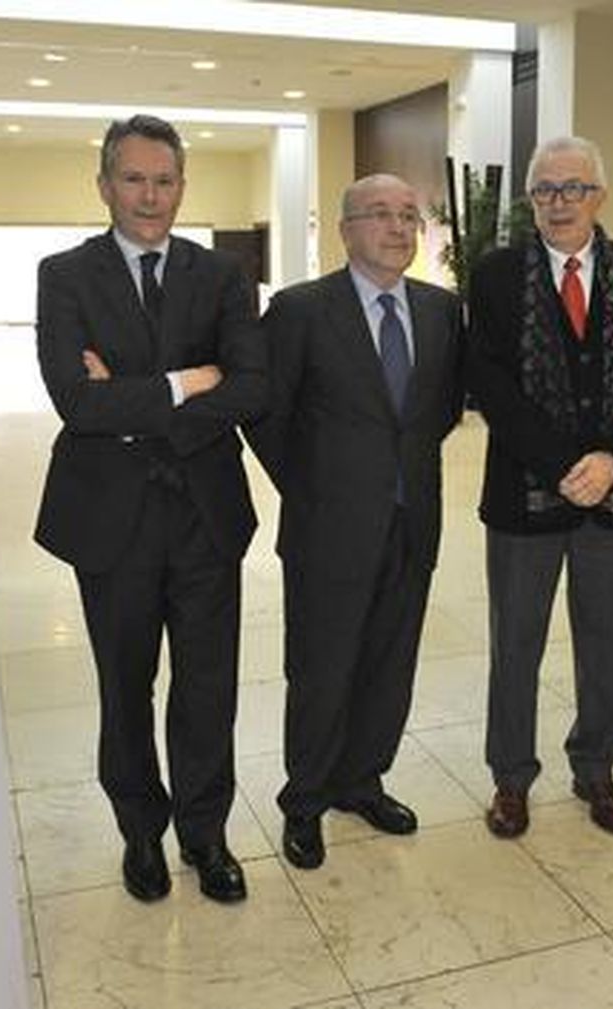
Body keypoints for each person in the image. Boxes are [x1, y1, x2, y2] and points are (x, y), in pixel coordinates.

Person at [34, 114, 265, 903]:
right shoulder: (63, 275)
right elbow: (73, 400)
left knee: (208, 684)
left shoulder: (222, 275)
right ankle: (142, 831)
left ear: (181, 187)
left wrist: (128, 399)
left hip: (206, 515)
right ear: (104, 185)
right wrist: (184, 383)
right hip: (111, 522)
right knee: (124, 684)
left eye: (164, 180)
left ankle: (206, 833)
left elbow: (252, 383)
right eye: (133, 178)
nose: (149, 195)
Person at [249, 174, 463, 871]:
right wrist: (313, 487)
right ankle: (305, 799)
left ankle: (362, 780)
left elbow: (439, 412)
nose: (398, 228)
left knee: (389, 659)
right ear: (345, 229)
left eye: (409, 216)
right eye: (379, 214)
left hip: (413, 520)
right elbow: (266, 414)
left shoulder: (439, 310)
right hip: (327, 526)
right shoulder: (300, 310)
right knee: (321, 665)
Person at [466, 136, 613, 839]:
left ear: (599, 196)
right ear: (531, 201)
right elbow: (488, 380)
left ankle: (597, 767)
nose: (560, 203)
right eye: (546, 190)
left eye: (573, 188)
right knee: (516, 641)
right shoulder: (494, 276)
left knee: (608, 638)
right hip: (523, 498)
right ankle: (511, 777)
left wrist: (612, 457)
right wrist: (562, 463)